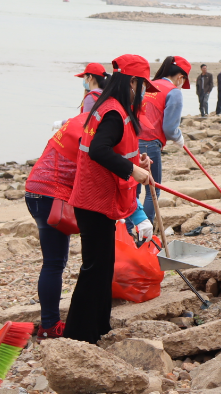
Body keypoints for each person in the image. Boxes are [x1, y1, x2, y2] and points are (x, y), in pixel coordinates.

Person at [65, 55, 157, 344]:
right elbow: (98, 151)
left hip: (97, 199)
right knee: (94, 266)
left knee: (104, 263)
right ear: (131, 82)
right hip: (94, 201)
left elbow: (112, 149)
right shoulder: (115, 112)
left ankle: (99, 326)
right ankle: (79, 334)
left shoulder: (108, 107)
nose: (142, 92)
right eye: (141, 85)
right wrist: (133, 170)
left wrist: (136, 161)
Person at [136, 56, 190, 226]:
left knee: (133, 190)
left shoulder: (150, 84)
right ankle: (145, 233)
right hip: (150, 144)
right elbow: (169, 128)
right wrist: (178, 137)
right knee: (152, 190)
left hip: (132, 141)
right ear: (180, 77)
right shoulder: (173, 92)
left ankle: (129, 229)